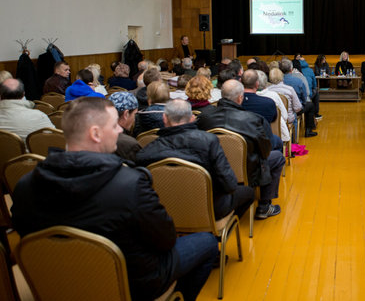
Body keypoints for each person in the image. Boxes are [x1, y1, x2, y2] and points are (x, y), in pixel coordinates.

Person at [11, 97, 219, 301]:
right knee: (208, 242)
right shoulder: (131, 184)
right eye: (114, 125)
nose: (120, 130)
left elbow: (27, 236)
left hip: (58, 283)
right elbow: (166, 240)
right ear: (95, 133)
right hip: (131, 284)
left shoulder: (24, 185)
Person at [136, 99, 255, 219]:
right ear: (192, 118)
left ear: (164, 119)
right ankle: (223, 229)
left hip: (164, 214)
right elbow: (230, 184)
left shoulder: (145, 153)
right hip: (210, 210)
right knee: (249, 192)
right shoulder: (209, 141)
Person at [197, 80, 286, 219]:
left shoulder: (204, 118)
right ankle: (264, 206)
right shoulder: (253, 119)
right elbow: (266, 150)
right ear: (240, 97)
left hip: (214, 169)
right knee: (278, 157)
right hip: (248, 170)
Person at [108, 91, 141, 162]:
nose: (135, 119)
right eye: (134, 114)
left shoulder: (97, 136)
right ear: (126, 114)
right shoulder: (130, 145)